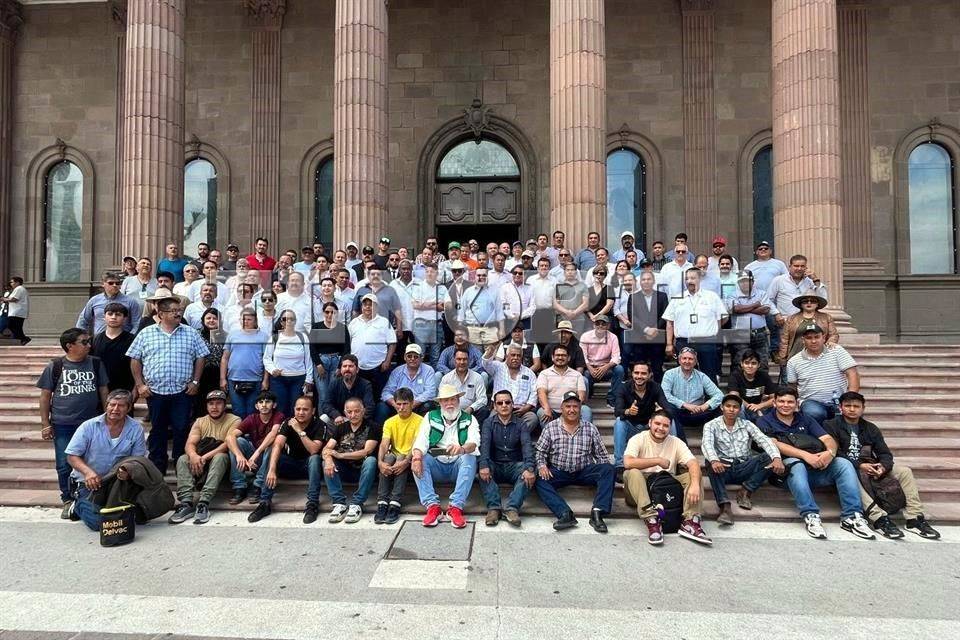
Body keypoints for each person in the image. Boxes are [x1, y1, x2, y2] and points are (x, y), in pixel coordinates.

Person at [757, 387, 875, 540]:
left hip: (815, 469)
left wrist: (830, 453)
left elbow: (827, 439)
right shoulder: (764, 420)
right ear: (774, 403)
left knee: (843, 463)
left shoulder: (805, 418)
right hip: (785, 474)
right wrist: (805, 456)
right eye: (781, 401)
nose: (785, 405)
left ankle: (852, 517)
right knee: (796, 464)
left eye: (790, 402)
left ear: (797, 403)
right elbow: (774, 444)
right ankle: (811, 515)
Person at [823, 391, 941, 540]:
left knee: (904, 471)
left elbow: (885, 453)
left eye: (856, 406)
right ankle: (879, 518)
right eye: (848, 406)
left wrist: (883, 467)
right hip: (846, 468)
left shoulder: (870, 428)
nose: (852, 409)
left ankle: (914, 518)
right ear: (840, 407)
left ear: (863, 408)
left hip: (870, 466)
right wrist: (860, 465)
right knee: (851, 474)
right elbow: (834, 452)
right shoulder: (830, 425)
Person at [127, 292, 209, 475]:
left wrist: (195, 381)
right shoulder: (146, 333)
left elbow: (201, 357)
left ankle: (181, 466)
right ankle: (157, 468)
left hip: (183, 392)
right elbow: (135, 359)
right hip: (155, 392)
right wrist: (140, 385)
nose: (178, 313)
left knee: (182, 428)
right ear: (161, 314)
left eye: (179, 310)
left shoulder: (191, 333)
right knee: (158, 430)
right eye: (173, 311)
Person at [37, 328, 110, 516]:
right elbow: (45, 396)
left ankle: (88, 496)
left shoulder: (95, 363)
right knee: (64, 463)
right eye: (84, 342)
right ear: (70, 346)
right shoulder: (55, 366)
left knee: (92, 460)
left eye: (89, 341)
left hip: (91, 422)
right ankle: (68, 499)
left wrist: (108, 416)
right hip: (63, 423)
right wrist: (45, 423)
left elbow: (103, 390)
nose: (89, 345)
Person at [622, 410, 712, 545]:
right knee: (631, 472)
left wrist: (694, 485)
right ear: (650, 423)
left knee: (694, 475)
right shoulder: (638, 439)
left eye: (665, 425)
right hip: (640, 487)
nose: (661, 428)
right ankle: (652, 520)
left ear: (670, 427)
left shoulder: (676, 442)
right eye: (657, 424)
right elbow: (628, 462)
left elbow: (693, 462)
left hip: (665, 485)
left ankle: (690, 522)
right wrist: (657, 461)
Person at [63, 390, 150, 530]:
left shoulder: (135, 428)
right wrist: (88, 473)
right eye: (112, 405)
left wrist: (128, 471)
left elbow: (138, 459)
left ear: (128, 408)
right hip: (90, 483)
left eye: (121, 406)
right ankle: (78, 505)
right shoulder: (88, 426)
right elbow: (71, 456)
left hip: (117, 482)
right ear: (106, 405)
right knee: (101, 524)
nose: (115, 409)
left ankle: (105, 506)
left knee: (139, 517)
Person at [534, 391, 614, 532]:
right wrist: (541, 465)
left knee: (608, 469)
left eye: (575, 406)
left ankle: (597, 512)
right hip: (559, 471)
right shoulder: (551, 427)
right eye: (568, 406)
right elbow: (540, 451)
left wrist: (606, 474)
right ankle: (565, 514)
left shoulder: (590, 428)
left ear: (580, 408)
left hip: (584, 471)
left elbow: (602, 455)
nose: (572, 410)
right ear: (562, 408)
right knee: (539, 479)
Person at [701, 393, 784, 526]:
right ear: (722, 407)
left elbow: (764, 440)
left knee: (770, 457)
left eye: (735, 407)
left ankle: (746, 490)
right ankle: (724, 506)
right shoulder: (711, 425)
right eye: (728, 406)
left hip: (744, 467)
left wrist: (776, 458)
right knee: (710, 461)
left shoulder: (747, 424)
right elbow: (707, 444)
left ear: (740, 410)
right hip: (723, 468)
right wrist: (714, 460)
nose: (731, 409)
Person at [410, 384, 481, 528]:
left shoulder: (470, 419)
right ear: (440, 403)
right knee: (419, 457)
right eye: (445, 400)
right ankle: (432, 507)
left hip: (458, 468)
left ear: (458, 401)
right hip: (436, 466)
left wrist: (462, 449)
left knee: (470, 457)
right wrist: (416, 458)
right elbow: (421, 440)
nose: (449, 403)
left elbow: (474, 443)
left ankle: (455, 507)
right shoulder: (430, 416)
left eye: (453, 399)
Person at [167, 390, 242, 525]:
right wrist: (193, 455)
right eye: (211, 404)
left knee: (220, 457)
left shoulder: (234, 420)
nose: (214, 407)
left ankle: (203, 502)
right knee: (183, 459)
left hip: (223, 465)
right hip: (201, 463)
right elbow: (190, 443)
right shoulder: (200, 421)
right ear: (206, 406)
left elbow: (227, 444)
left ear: (225, 405)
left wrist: (204, 457)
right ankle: (186, 503)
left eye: (218, 403)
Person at [248, 395, 326, 523]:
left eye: (305, 409)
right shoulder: (288, 422)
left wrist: (299, 430)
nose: (301, 412)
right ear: (294, 409)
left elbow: (313, 450)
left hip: (310, 468)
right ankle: (264, 503)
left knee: (315, 458)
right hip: (291, 464)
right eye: (298, 409)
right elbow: (277, 445)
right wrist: (272, 469)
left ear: (313, 411)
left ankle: (312, 504)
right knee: (273, 452)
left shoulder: (320, 424)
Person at [478, 390, 536, 527]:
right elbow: (484, 446)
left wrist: (529, 468)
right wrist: (483, 465)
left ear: (512, 404)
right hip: (495, 464)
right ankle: (494, 508)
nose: (504, 405)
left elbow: (527, 446)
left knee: (531, 471)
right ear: (495, 406)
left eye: (507, 402)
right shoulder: (488, 423)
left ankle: (512, 508)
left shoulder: (521, 424)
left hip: (514, 465)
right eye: (500, 403)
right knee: (482, 468)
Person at [785, 322, 860, 425]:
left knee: (852, 413)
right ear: (803, 340)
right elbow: (792, 386)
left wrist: (850, 399)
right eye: (809, 338)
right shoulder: (794, 361)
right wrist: (794, 404)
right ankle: (820, 435)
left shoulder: (836, 351)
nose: (813, 341)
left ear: (823, 338)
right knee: (814, 412)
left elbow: (852, 373)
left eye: (817, 337)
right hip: (811, 402)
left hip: (839, 400)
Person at [322, 397, 382, 523]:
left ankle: (357, 504)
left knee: (371, 461)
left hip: (364, 472)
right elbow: (327, 449)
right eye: (349, 412)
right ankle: (339, 504)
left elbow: (366, 451)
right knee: (325, 462)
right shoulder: (341, 427)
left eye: (357, 411)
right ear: (345, 412)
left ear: (363, 410)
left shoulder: (373, 427)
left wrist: (340, 455)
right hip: (344, 471)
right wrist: (328, 460)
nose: (353, 415)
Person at [663, 268, 728, 382]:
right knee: (684, 377)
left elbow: (723, 317)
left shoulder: (711, 297)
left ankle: (710, 394)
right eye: (687, 279)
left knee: (709, 376)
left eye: (692, 278)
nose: (689, 281)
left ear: (700, 279)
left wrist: (712, 329)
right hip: (683, 342)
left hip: (707, 342)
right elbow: (670, 322)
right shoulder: (677, 298)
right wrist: (669, 344)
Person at [612, 361, 673, 480]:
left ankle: (671, 460)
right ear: (632, 374)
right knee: (619, 422)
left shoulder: (655, 387)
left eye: (643, 373)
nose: (639, 376)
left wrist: (661, 411)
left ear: (649, 375)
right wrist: (628, 411)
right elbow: (617, 411)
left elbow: (668, 408)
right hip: (631, 427)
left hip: (649, 428)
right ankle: (619, 465)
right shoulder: (624, 388)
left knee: (669, 420)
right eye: (636, 373)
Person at [225, 390, 284, 504]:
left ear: (274, 405)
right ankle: (239, 487)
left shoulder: (278, 416)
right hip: (255, 460)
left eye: (268, 402)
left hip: (271, 461)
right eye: (261, 402)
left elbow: (273, 434)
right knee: (237, 441)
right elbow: (229, 437)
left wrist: (256, 453)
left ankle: (258, 486)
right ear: (256, 406)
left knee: (272, 444)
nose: (264, 405)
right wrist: (239, 456)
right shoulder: (252, 418)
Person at [375, 387, 421, 524]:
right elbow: (384, 444)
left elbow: (416, 444)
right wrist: (380, 462)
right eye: (398, 404)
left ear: (412, 403)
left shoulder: (420, 421)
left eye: (405, 404)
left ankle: (395, 502)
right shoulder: (390, 422)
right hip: (395, 455)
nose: (401, 407)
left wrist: (406, 461)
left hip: (411, 456)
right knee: (387, 458)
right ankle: (382, 502)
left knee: (401, 458)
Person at [660, 347, 722, 443]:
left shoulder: (702, 376)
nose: (687, 361)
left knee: (719, 408)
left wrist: (704, 406)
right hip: (678, 413)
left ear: (695, 362)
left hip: (698, 413)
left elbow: (719, 395)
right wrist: (685, 405)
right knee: (668, 409)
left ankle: (715, 441)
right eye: (684, 358)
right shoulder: (670, 374)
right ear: (679, 360)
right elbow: (665, 395)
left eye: (690, 359)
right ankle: (682, 444)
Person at [263, 309, 314, 419]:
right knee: (280, 409)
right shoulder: (274, 338)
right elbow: (267, 358)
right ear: (281, 322)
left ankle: (294, 429)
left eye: (291, 319)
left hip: (298, 379)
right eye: (285, 319)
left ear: (295, 321)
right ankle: (281, 429)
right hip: (278, 380)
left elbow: (308, 359)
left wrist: (309, 379)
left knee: (295, 408)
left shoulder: (302, 337)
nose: (288, 321)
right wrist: (273, 370)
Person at [620, 271, 668, 381]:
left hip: (657, 338)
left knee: (657, 369)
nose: (646, 281)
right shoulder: (633, 297)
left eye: (648, 279)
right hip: (640, 339)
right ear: (640, 282)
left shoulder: (662, 296)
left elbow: (665, 315)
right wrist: (646, 329)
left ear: (653, 281)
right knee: (639, 370)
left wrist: (655, 329)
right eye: (643, 279)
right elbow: (632, 316)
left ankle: (657, 390)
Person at [481, 341, 540, 432]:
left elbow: (534, 392)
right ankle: (512, 436)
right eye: (513, 355)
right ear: (506, 356)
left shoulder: (529, 373)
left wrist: (526, 408)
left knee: (532, 418)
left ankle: (512, 436)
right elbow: (486, 363)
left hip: (520, 411)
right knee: (491, 421)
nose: (515, 358)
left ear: (521, 357)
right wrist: (490, 352)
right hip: (500, 409)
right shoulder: (497, 367)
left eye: (518, 355)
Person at [221, 307, 268, 419]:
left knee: (252, 411)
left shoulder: (263, 336)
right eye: (243, 319)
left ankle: (251, 431)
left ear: (255, 320)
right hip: (234, 379)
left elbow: (267, 360)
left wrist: (265, 380)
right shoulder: (232, 335)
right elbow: (225, 358)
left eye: (249, 319)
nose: (245, 322)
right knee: (238, 411)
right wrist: (222, 378)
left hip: (255, 379)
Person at [348, 293, 397, 399]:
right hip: (358, 368)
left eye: (371, 304)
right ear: (361, 306)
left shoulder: (384, 322)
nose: (368, 307)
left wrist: (387, 361)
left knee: (377, 397)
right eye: (365, 304)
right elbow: (348, 343)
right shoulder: (354, 323)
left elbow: (392, 343)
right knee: (358, 397)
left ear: (376, 307)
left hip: (378, 368)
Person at [380, 343, 438, 424]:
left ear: (421, 358)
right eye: (409, 356)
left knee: (429, 405)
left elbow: (430, 392)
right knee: (382, 407)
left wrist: (412, 404)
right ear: (405, 357)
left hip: (418, 405)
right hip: (398, 406)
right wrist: (395, 404)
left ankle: (425, 430)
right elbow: (386, 392)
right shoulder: (397, 371)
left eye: (416, 356)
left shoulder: (428, 370)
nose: (412, 359)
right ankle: (382, 431)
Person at [776, 289, 839, 364]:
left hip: (820, 356)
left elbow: (833, 335)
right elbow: (784, 339)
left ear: (817, 304)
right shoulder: (791, 319)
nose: (809, 303)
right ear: (801, 304)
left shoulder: (826, 317)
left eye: (812, 301)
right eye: (805, 301)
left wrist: (830, 342)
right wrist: (782, 357)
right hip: (796, 355)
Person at [727, 270, 773, 370]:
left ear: (752, 282)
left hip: (760, 334)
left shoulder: (762, 293)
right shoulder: (732, 295)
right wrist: (755, 305)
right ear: (738, 283)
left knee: (762, 363)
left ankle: (761, 381)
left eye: (747, 281)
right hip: (740, 334)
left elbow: (766, 310)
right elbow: (736, 309)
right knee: (739, 364)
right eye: (742, 281)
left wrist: (744, 308)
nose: (745, 283)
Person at [536, 343, 592, 425]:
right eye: (557, 355)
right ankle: (550, 434)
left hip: (571, 410)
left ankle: (583, 433)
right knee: (542, 412)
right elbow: (541, 393)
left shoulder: (577, 375)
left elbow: (581, 396)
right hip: (552, 411)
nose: (560, 357)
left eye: (563, 355)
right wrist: (547, 408)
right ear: (552, 357)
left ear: (568, 358)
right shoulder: (544, 374)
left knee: (586, 410)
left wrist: (574, 409)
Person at [309, 301, 351, 408]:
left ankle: (333, 418)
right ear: (323, 313)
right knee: (323, 396)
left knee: (333, 395)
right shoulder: (316, 326)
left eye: (333, 312)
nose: (330, 315)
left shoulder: (342, 328)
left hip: (337, 361)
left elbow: (346, 349)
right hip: (321, 361)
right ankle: (322, 419)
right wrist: (318, 364)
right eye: (327, 312)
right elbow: (312, 347)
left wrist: (340, 367)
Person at [91, 302, 136, 397]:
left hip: (125, 389)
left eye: (118, 314)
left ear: (125, 318)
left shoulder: (133, 340)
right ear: (104, 317)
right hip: (99, 388)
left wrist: (136, 388)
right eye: (110, 314)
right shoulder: (94, 340)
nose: (113, 317)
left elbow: (138, 365)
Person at [77, 271, 142, 335]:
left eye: (117, 283)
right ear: (103, 284)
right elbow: (83, 320)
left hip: (123, 339)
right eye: (111, 283)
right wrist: (83, 338)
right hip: (99, 339)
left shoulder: (131, 301)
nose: (114, 285)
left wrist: (130, 337)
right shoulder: (94, 300)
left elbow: (137, 323)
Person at [579, 314, 624, 407]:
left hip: (607, 368)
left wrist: (606, 367)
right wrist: (590, 368)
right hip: (591, 367)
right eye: (597, 323)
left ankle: (612, 398)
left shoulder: (613, 337)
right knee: (586, 374)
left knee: (619, 369)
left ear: (608, 326)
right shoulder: (585, 336)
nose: (600, 326)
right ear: (593, 325)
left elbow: (616, 357)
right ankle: (587, 399)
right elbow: (582, 356)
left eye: (603, 324)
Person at [768, 254, 829, 319]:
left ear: (806, 268)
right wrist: (776, 314)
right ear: (790, 266)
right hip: (785, 319)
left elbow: (823, 298)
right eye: (796, 266)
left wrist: (816, 280)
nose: (799, 269)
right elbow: (768, 300)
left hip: (806, 320)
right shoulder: (779, 280)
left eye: (802, 266)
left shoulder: (810, 281)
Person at [440, 346, 489, 426]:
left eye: (465, 359)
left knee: (484, 410)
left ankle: (476, 431)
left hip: (471, 413)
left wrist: (471, 408)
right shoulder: (447, 378)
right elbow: (442, 399)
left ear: (469, 361)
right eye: (459, 359)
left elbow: (483, 399)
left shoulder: (477, 377)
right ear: (454, 360)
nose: (462, 362)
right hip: (451, 412)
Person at [411, 263, 448, 367]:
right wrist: (435, 303)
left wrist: (424, 304)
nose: (429, 274)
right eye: (427, 271)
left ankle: (433, 376)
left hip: (437, 325)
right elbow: (416, 305)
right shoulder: (418, 287)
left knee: (435, 356)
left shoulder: (442, 288)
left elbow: (444, 306)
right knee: (420, 355)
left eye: (432, 272)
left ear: (437, 273)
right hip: (421, 324)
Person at [320, 354, 375, 424]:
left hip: (359, 421)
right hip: (340, 420)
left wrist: (355, 419)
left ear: (357, 370)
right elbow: (326, 404)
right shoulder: (334, 384)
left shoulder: (365, 384)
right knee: (323, 418)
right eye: (344, 366)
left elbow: (370, 407)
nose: (347, 369)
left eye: (351, 366)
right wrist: (336, 415)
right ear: (341, 369)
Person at [727, 349, 776, 422]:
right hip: (743, 409)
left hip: (759, 407)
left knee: (777, 404)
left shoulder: (763, 376)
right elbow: (734, 396)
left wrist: (759, 406)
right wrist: (752, 407)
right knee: (736, 404)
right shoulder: (735, 376)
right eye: (746, 363)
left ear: (758, 365)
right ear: (742, 364)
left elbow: (775, 398)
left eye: (753, 363)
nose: (750, 366)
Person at [1, 277, 29, 344]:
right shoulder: (18, 289)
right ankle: (23, 339)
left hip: (17, 312)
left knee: (12, 325)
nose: (11, 284)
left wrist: (3, 299)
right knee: (16, 327)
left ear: (17, 282)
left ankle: (23, 339)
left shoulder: (19, 288)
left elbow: (14, 299)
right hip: (16, 312)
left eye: (12, 282)